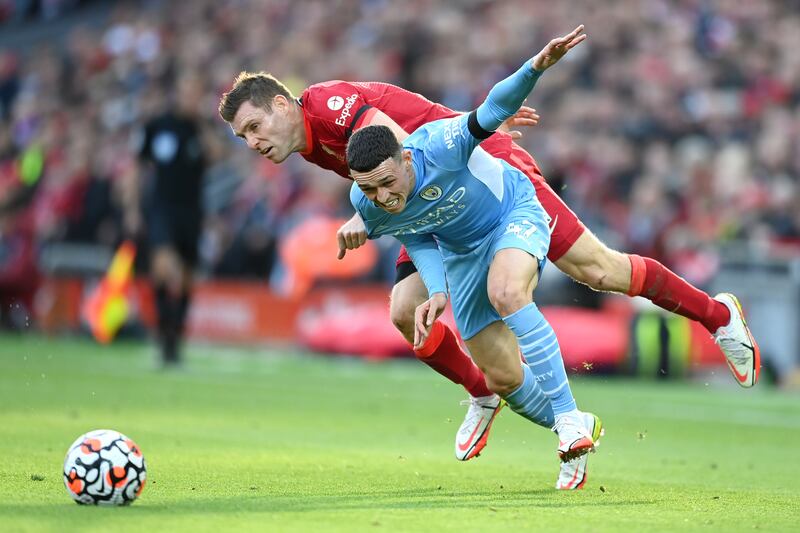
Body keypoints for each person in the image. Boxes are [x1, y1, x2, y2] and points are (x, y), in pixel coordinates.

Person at [217, 25, 759, 463]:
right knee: (406, 313)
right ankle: (483, 392)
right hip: (419, 204)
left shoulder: (329, 106)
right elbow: (395, 173)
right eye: (244, 138)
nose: (254, 143)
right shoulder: (308, 145)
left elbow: (397, 147)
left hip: (476, 175)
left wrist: (479, 126)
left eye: (255, 126)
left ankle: (718, 316)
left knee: (599, 270)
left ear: (283, 106)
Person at [348, 26, 600, 490]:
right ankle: (577, 426)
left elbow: (493, 109)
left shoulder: (440, 144)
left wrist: (535, 67)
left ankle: (568, 421)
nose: (382, 197)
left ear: (405, 158)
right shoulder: (368, 200)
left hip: (511, 213)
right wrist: (439, 291)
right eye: (369, 189)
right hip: (460, 250)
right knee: (502, 378)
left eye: (386, 182)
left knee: (507, 290)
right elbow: (418, 236)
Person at [127, 75, 208, 366]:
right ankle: (163, 336)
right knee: (163, 269)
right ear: (177, 93)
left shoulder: (202, 128)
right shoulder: (157, 125)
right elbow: (137, 166)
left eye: (196, 93)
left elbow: (217, 155)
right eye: (187, 92)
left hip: (192, 210)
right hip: (161, 208)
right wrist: (133, 208)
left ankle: (176, 339)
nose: (191, 98)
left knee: (186, 278)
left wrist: (201, 126)